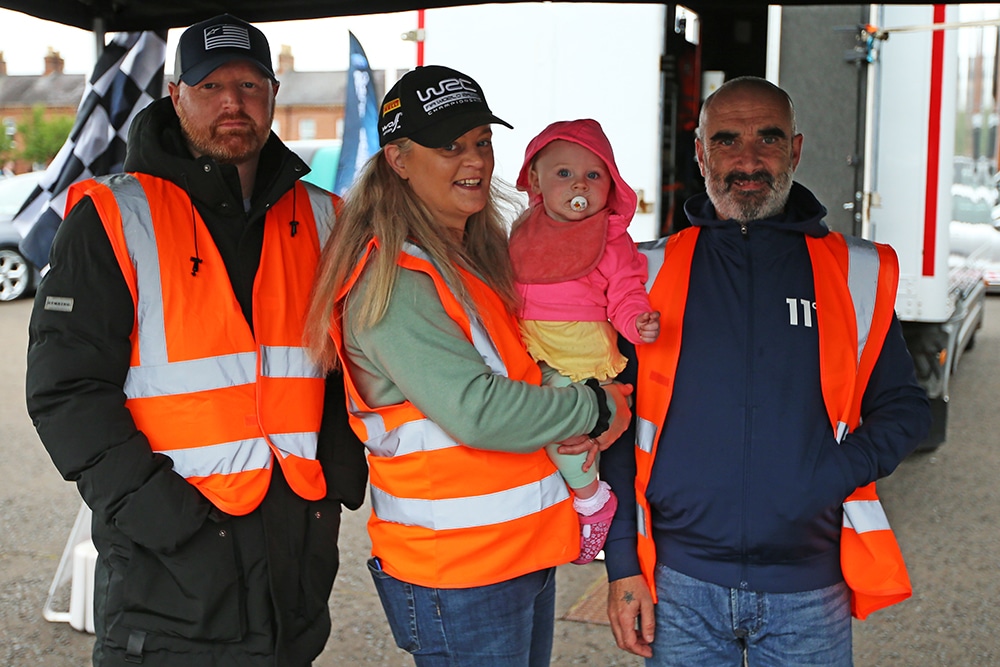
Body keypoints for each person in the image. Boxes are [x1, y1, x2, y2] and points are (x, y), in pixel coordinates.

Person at [25, 14, 367, 667]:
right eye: (210, 86)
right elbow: (66, 393)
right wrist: (167, 520)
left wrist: (335, 484)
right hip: (167, 574)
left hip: (294, 560)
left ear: (273, 92)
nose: (231, 102)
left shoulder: (325, 215)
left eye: (248, 84)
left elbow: (347, 369)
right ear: (176, 94)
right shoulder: (113, 214)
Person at [304, 65, 633, 667]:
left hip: (515, 554)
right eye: (450, 146)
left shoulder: (468, 260)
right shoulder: (396, 281)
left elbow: (525, 375)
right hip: (460, 573)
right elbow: (479, 411)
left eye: (482, 141)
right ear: (399, 159)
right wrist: (595, 403)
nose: (475, 160)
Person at [602, 76, 932, 666]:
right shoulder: (643, 276)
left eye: (768, 139)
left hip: (810, 589)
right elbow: (618, 433)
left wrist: (830, 474)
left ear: (796, 150)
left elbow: (905, 407)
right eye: (727, 141)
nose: (748, 160)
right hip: (679, 586)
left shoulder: (855, 271)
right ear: (700, 153)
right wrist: (623, 567)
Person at [509, 118, 659, 564]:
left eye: (593, 175)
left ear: (610, 185)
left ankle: (592, 500)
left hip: (577, 353)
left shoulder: (610, 240)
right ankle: (564, 499)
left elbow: (627, 293)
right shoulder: (523, 229)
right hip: (527, 345)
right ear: (536, 179)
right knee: (522, 422)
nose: (580, 184)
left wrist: (637, 325)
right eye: (564, 174)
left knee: (564, 424)